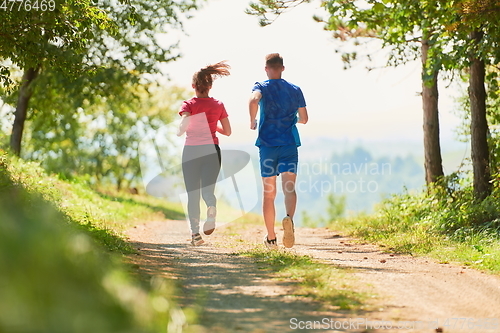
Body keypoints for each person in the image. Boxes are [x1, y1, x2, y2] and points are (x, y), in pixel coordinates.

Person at [248, 53, 308, 249]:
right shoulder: (295, 90)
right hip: (289, 144)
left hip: (267, 146)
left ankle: (272, 238)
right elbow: (305, 118)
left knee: (269, 194)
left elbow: (253, 101)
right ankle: (289, 219)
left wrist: (252, 120)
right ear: (282, 68)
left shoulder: (261, 87)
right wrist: (293, 120)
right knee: (289, 189)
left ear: (266, 69)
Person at [177, 61, 232, 246]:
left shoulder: (189, 104)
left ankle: (195, 235)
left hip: (192, 151)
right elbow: (228, 131)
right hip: (212, 151)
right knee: (208, 191)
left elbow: (184, 124)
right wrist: (211, 123)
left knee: (193, 194)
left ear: (194, 86)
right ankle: (211, 206)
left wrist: (180, 130)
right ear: (210, 86)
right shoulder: (218, 105)